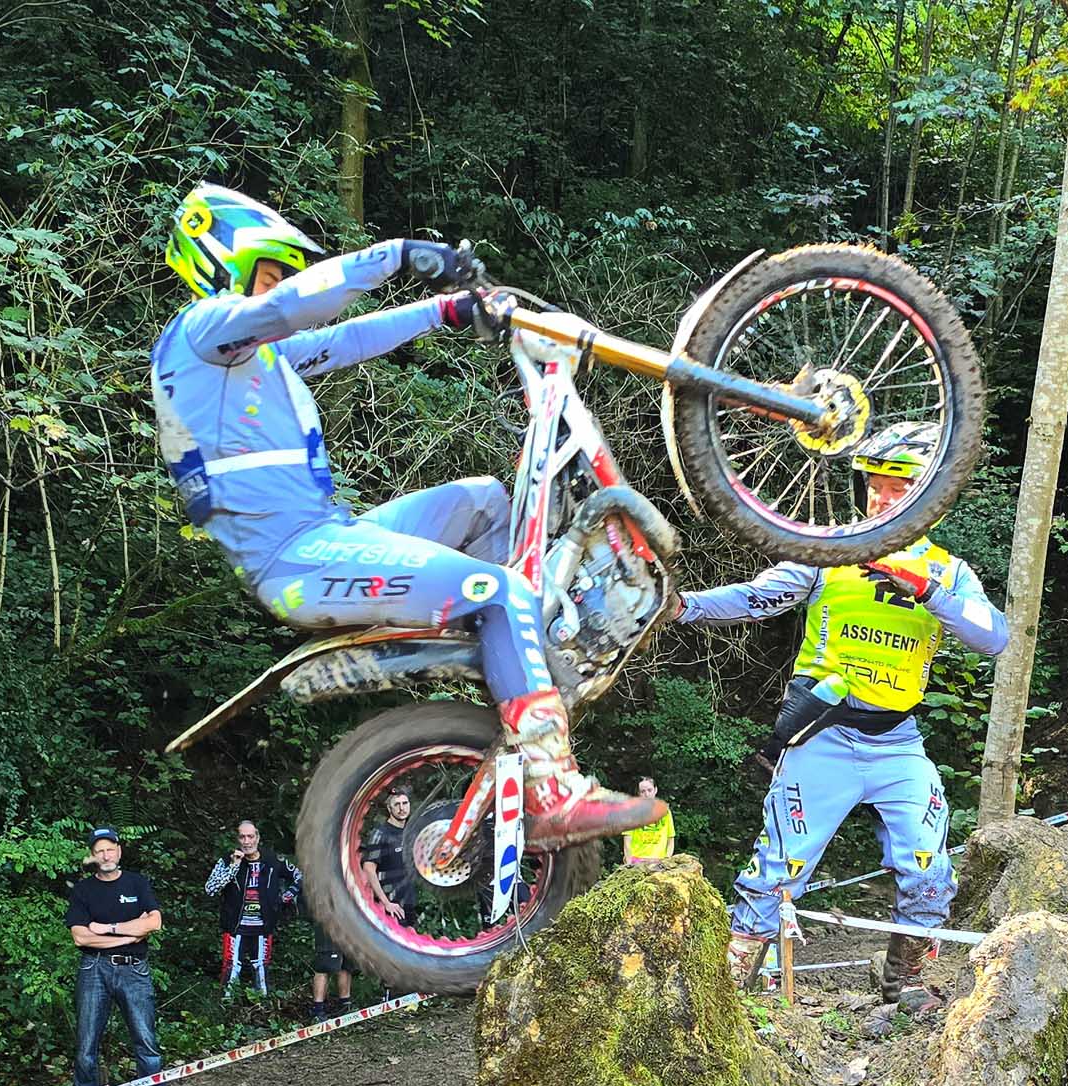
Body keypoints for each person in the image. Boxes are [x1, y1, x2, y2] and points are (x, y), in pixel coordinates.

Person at [150, 183, 664, 850]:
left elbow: (345, 339)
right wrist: (396, 254)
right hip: (297, 562)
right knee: (497, 589)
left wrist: (447, 309)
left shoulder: (257, 359)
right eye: (267, 274)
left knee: (483, 502)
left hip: (332, 534)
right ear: (220, 264)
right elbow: (289, 308)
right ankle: (552, 791)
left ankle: (532, 656)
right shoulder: (197, 334)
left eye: (277, 278)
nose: (274, 289)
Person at [677, 423, 1009, 1010]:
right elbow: (758, 596)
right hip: (822, 736)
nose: (881, 498)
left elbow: (995, 637)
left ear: (932, 491)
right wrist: (684, 607)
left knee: (929, 869)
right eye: (874, 485)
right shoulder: (830, 549)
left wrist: (927, 591)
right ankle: (728, 998)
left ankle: (905, 985)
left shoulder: (949, 571)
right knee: (778, 869)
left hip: (897, 741)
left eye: (898, 487)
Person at [66, 828, 183, 1086]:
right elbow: (80, 937)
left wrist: (107, 928)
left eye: (110, 849)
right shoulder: (83, 891)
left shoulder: (136, 882)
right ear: (93, 855)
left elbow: (154, 922)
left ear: (119, 850)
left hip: (134, 971)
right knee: (86, 1042)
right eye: (99, 851)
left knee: (146, 1040)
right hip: (94, 969)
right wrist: (130, 935)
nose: (106, 855)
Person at [204, 819, 302, 1001]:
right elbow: (210, 889)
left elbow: (299, 876)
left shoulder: (272, 860)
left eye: (250, 836)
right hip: (235, 924)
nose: (247, 841)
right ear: (237, 839)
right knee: (231, 966)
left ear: (257, 837)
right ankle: (227, 1006)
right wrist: (233, 867)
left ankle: (263, 1007)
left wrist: (285, 898)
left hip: (263, 925)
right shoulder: (227, 860)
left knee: (261, 967)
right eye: (242, 837)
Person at [362, 787, 419, 944]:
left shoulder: (410, 832)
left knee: (411, 950)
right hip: (390, 906)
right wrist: (386, 902)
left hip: (409, 903)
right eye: (397, 804)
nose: (402, 808)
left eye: (405, 803)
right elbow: (368, 868)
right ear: (389, 808)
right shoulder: (380, 833)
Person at [621, 779, 676, 864]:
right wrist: (629, 865)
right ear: (639, 793)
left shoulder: (665, 812)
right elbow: (627, 842)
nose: (647, 794)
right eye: (643, 791)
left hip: (659, 862)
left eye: (649, 790)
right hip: (637, 862)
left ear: (655, 790)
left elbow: (670, 839)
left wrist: (667, 860)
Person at [309, 924, 352, 1022]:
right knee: (323, 968)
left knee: (346, 966)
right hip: (328, 927)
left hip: (348, 926)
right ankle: (318, 1009)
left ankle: (345, 1005)